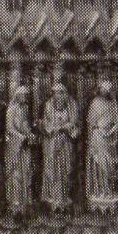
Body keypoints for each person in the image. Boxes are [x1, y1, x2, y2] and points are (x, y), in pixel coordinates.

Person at [41, 77, 78, 212]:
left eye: (62, 93)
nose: (59, 96)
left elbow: (74, 121)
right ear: (53, 94)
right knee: (52, 169)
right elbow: (46, 123)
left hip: (65, 142)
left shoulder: (71, 104)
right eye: (57, 93)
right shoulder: (48, 105)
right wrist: (54, 127)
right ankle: (53, 197)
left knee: (65, 169)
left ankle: (63, 196)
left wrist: (66, 126)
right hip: (52, 143)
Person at [85, 79, 118, 213]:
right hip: (97, 137)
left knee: (108, 165)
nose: (105, 92)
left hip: (108, 140)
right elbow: (91, 123)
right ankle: (99, 190)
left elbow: (117, 121)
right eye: (103, 90)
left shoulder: (113, 103)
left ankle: (108, 190)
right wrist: (90, 138)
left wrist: (111, 132)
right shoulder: (95, 102)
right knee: (98, 164)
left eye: (108, 90)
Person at [4, 83, 35, 219]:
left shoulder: (24, 109)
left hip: (23, 146)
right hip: (14, 146)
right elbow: (10, 128)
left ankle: (24, 203)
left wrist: (29, 134)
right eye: (23, 95)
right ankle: (14, 203)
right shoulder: (11, 109)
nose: (25, 97)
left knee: (26, 173)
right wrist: (21, 136)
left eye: (26, 95)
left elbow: (25, 125)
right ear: (18, 96)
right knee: (15, 174)